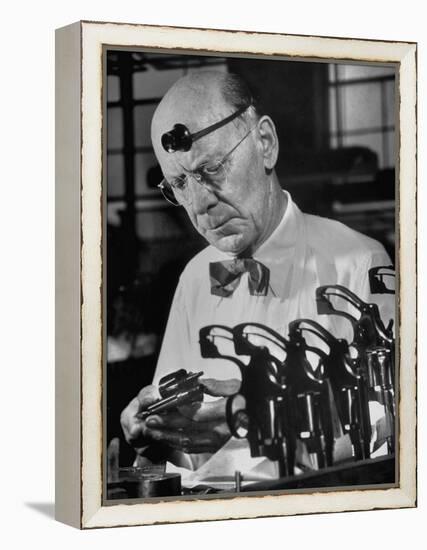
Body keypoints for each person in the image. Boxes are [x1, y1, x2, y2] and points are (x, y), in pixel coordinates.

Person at [120, 71, 395, 483]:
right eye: (179, 184)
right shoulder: (196, 278)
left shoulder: (358, 264)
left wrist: (256, 424)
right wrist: (155, 432)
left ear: (265, 144)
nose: (199, 205)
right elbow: (184, 455)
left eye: (211, 169)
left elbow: (392, 434)